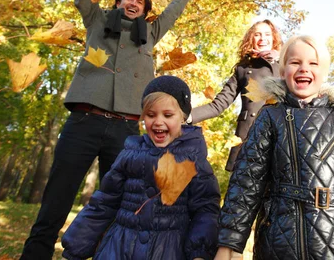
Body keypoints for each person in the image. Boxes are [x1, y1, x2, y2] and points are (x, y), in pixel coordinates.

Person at [21, 0, 206, 259]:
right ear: (118, 1)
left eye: (140, 0)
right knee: (55, 201)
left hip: (124, 132)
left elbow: (173, 12)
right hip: (84, 123)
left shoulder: (149, 35)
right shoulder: (95, 20)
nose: (135, 2)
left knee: (116, 208)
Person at [214, 36, 334, 260]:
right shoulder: (270, 116)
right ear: (282, 72)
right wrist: (229, 243)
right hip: (280, 242)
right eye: (295, 62)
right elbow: (246, 182)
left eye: (313, 63)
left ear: (324, 73)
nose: (304, 68)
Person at [61, 75, 221, 259]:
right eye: (150, 115)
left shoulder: (194, 160)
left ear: (184, 117)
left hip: (168, 251)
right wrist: (75, 246)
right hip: (118, 248)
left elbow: (206, 210)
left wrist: (199, 252)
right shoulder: (130, 153)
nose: (158, 121)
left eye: (168, 115)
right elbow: (104, 202)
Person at [189, 19, 282, 170]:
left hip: (278, 137)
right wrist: (185, 116)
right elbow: (218, 105)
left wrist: (279, 60)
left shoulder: (286, 64)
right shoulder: (243, 68)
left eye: (267, 34)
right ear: (251, 39)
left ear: (274, 39)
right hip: (248, 138)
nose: (262, 38)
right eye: (257, 35)